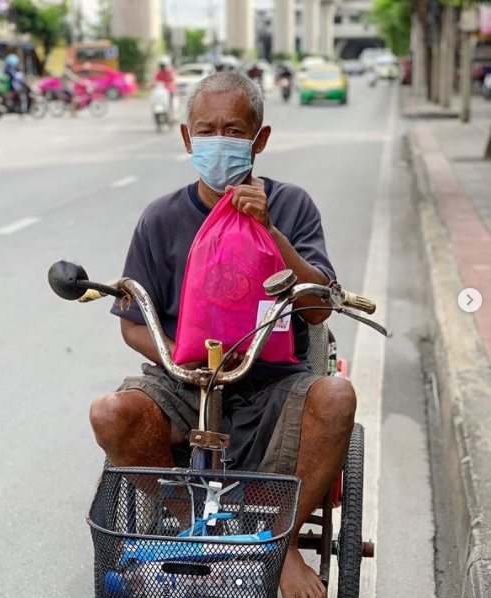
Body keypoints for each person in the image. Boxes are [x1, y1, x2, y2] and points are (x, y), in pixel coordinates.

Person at [90, 71, 356, 598]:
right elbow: (132, 323)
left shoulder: (293, 206)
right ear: (187, 139)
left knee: (338, 397)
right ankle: (191, 521)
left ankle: (280, 545)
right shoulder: (160, 219)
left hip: (274, 383)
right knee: (110, 413)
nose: (219, 140)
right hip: (184, 383)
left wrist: (270, 231)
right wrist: (178, 360)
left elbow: (319, 311)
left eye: (233, 131)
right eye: (206, 130)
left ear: (260, 139)